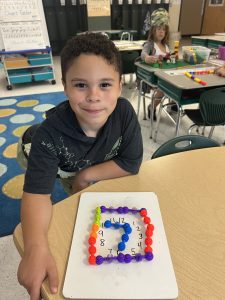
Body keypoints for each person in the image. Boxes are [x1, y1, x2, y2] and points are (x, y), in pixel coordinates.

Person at [17, 32, 143, 299]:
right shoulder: (49, 135)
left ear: (120, 86)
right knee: (55, 182)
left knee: (82, 188)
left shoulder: (124, 113)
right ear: (64, 86)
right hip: (43, 152)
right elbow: (37, 195)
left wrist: (87, 174)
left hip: (90, 163)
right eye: (81, 85)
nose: (94, 96)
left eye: (105, 85)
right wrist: (35, 247)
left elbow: (131, 162)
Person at [140, 8, 170, 120]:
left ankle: (172, 106)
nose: (161, 32)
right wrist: (147, 57)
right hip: (154, 78)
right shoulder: (150, 44)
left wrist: (172, 58)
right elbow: (143, 53)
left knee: (173, 84)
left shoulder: (166, 45)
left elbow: (169, 59)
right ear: (153, 30)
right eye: (158, 29)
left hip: (167, 75)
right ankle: (152, 107)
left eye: (163, 29)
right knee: (164, 87)